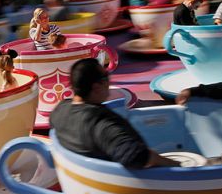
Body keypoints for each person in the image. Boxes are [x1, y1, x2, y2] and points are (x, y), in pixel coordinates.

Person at [50, 59, 180, 168]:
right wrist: (176, 165)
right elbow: (135, 156)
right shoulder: (100, 123)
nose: (109, 82)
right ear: (96, 87)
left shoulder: (59, 110)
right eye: (106, 77)